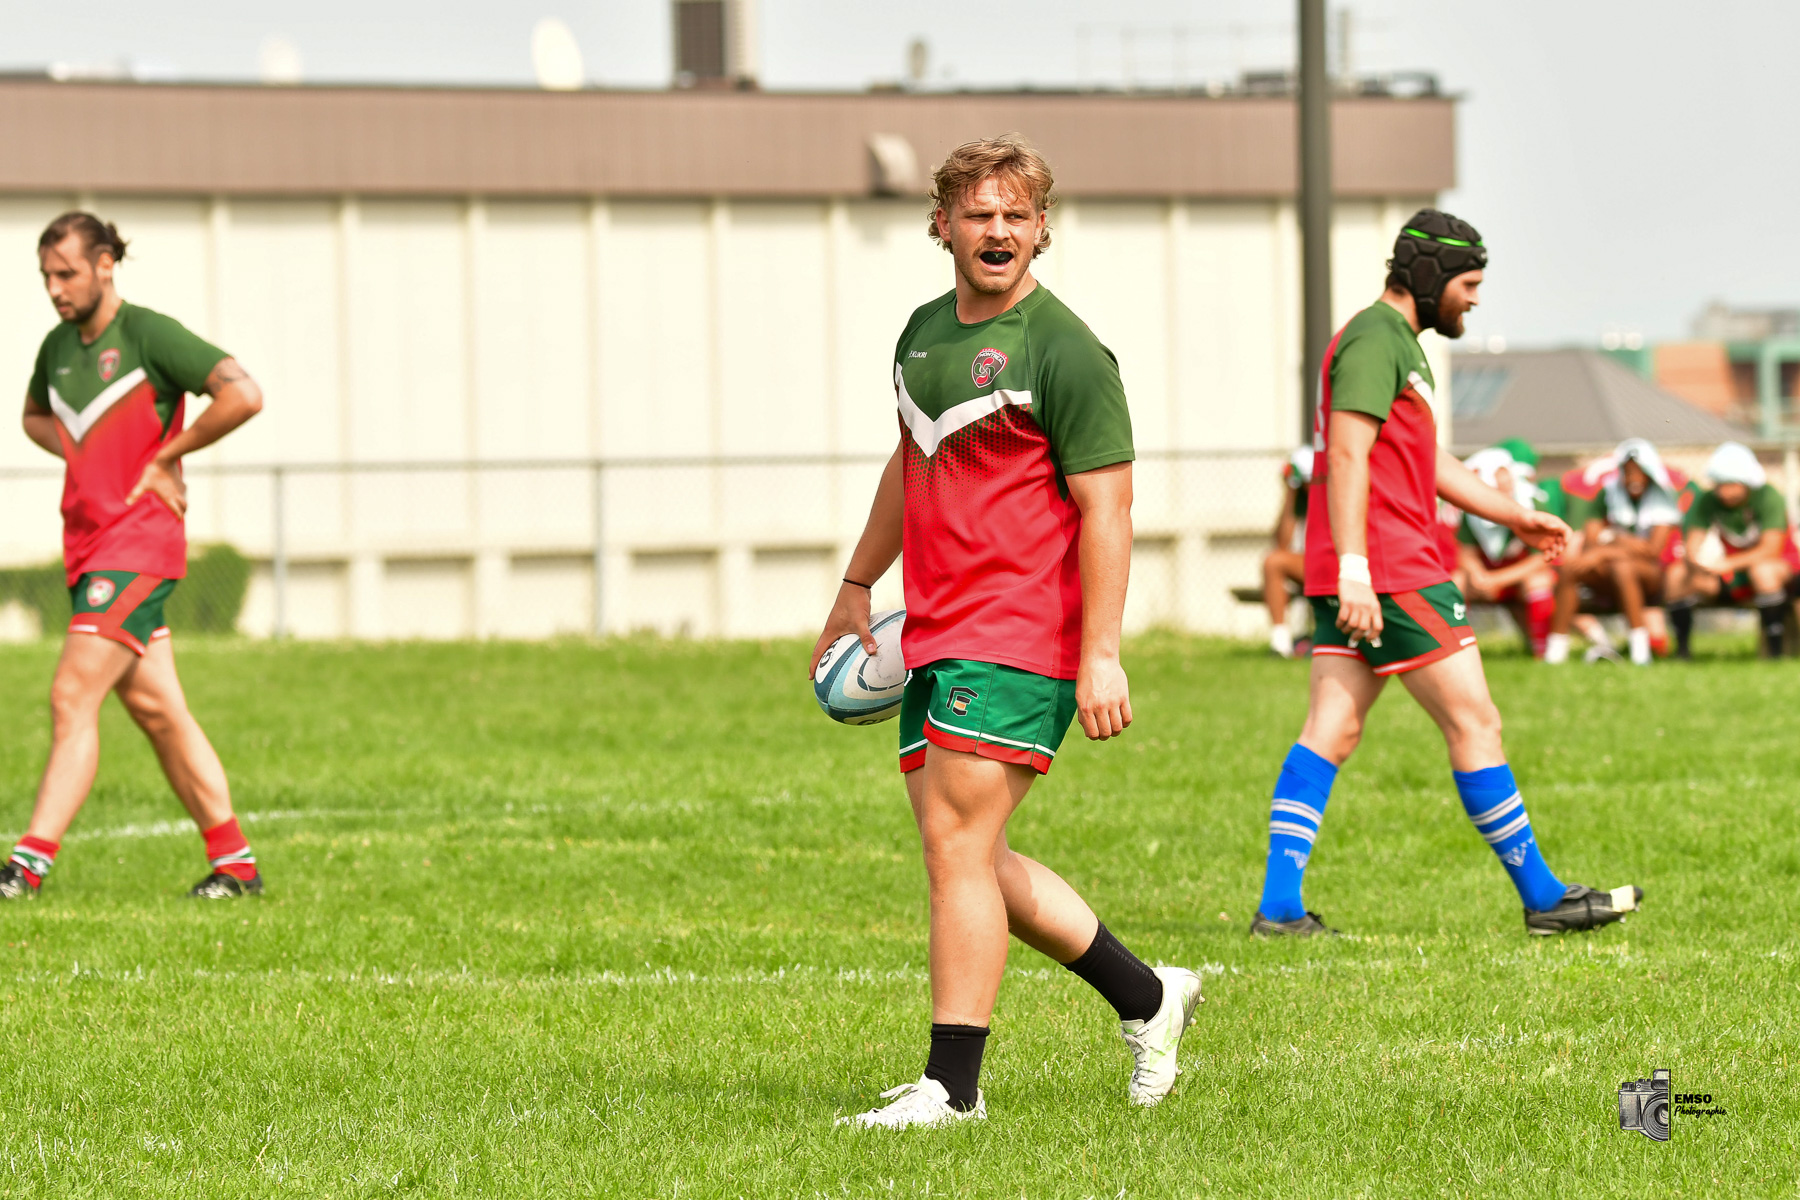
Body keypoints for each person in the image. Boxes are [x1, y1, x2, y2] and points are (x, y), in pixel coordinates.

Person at [811, 138, 1202, 1129]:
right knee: (967, 850)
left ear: (1041, 229)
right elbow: (913, 462)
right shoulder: (919, 335)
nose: (998, 231)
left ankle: (954, 1088)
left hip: (1025, 629)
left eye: (1016, 216)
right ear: (942, 224)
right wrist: (859, 584)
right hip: (934, 628)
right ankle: (1148, 997)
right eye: (979, 214)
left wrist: (1103, 650)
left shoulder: (1064, 348)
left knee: (956, 842)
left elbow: (1108, 510)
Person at [1250, 209, 1642, 939]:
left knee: (1330, 731)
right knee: (1476, 721)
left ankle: (1279, 910)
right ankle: (1544, 897)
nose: (1475, 298)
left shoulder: (1397, 344)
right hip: (1391, 571)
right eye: (1469, 282)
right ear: (1428, 276)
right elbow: (1345, 455)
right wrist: (1361, 572)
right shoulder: (1375, 338)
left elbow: (1425, 464)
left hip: (1363, 567)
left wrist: (1515, 515)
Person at [3, 212, 266, 901]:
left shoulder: (148, 334)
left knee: (71, 695)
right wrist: (88, 453)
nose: (55, 289)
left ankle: (25, 867)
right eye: (46, 277)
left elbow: (243, 393)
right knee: (158, 710)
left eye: (67, 274)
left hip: (138, 543)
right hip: (88, 546)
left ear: (106, 265)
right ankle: (235, 865)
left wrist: (167, 456)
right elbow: (34, 416)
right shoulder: (57, 348)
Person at [1547, 439, 1685, 666]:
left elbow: (1651, 550)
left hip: (1651, 577)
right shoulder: (1607, 493)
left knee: (1623, 568)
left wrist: (1611, 542)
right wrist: (1618, 547)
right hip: (1611, 569)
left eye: (1639, 472)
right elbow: (1592, 538)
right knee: (1572, 568)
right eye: (1628, 472)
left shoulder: (1663, 496)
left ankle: (1640, 650)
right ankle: (1555, 651)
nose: (1633, 479)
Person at [1666, 441, 1798, 659]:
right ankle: (1681, 652)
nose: (1723, 491)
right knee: (1676, 575)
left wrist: (1727, 564)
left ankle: (1775, 654)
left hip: (1780, 570)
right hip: (1731, 573)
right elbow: (1693, 543)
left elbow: (1771, 549)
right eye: (1719, 484)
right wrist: (1696, 561)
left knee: (1762, 571)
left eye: (1730, 484)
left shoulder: (1768, 496)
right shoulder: (1707, 500)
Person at [1453, 444, 1558, 657]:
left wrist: (1498, 579)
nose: (1505, 482)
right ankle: (1456, 648)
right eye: (1497, 475)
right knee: (1455, 582)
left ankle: (1544, 653)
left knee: (1538, 582)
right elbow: (1466, 552)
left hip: (1519, 575)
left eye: (1506, 474)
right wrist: (1478, 575)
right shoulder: (1471, 509)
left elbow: (1541, 559)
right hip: (1489, 573)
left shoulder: (1533, 502)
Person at [1264, 447, 1314, 657]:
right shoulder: (1296, 500)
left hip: (1333, 563)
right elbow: (1281, 544)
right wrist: (1290, 493)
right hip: (1310, 564)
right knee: (1273, 562)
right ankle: (1280, 643)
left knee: (1274, 561)